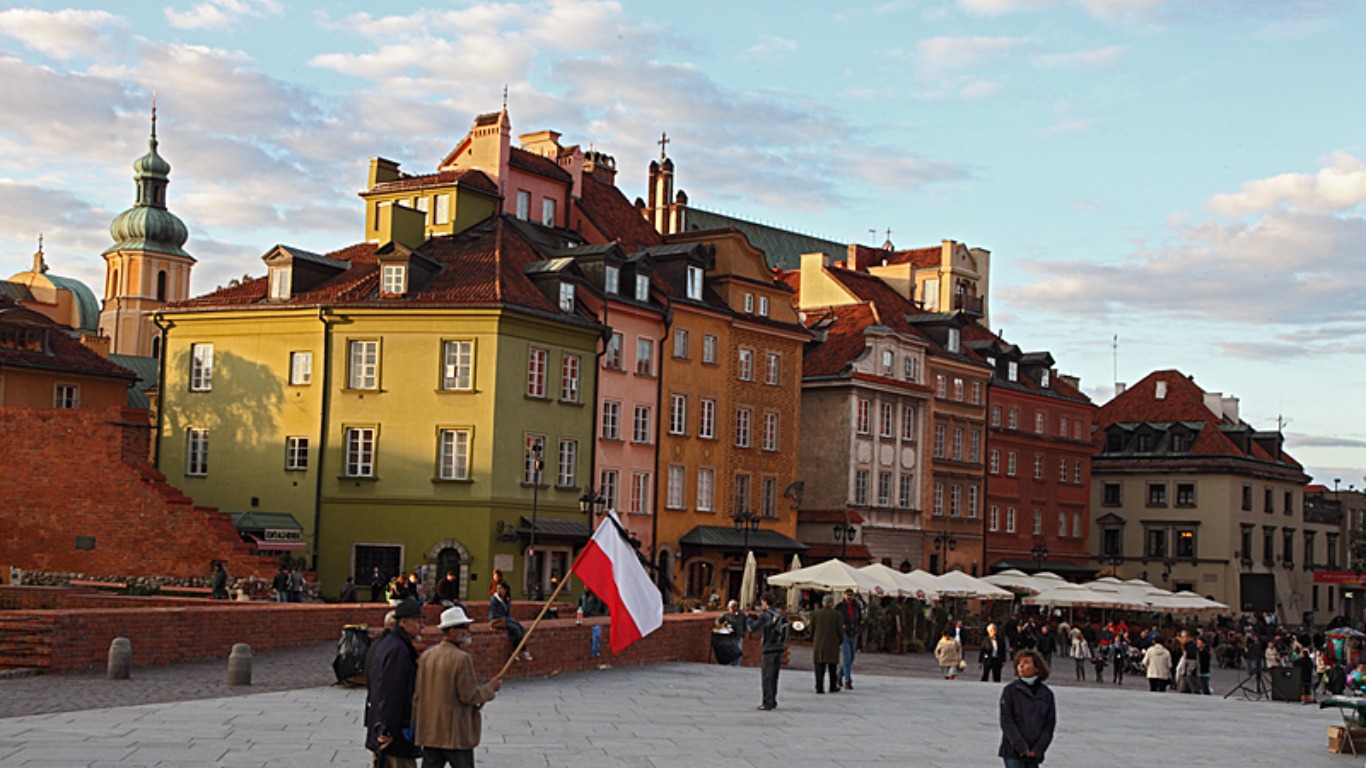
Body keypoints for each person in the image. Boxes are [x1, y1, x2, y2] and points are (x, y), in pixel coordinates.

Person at [413, 606, 501, 768]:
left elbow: (418, 694)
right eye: (465, 627)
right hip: (455, 734)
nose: (469, 631)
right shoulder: (462, 659)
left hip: (431, 732)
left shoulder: (427, 656)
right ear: (453, 631)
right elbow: (468, 696)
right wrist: (490, 688)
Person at [366, 600, 424, 767]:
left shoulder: (388, 643)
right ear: (404, 622)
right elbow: (391, 693)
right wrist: (388, 730)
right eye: (418, 621)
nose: (422, 626)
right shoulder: (398, 649)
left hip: (383, 727)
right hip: (396, 734)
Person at [998, 650, 1056, 768]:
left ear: (1037, 668)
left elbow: (1049, 724)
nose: (1021, 666)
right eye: (1019, 664)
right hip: (1013, 750)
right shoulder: (1010, 691)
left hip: (1035, 751)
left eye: (1026, 663)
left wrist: (1038, 748)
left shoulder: (1046, 694)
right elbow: (1006, 720)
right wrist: (1022, 747)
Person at [748, 592, 787, 710]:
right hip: (779, 647)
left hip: (769, 647)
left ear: (765, 602)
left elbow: (753, 628)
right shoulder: (779, 614)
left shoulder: (766, 615)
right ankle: (773, 700)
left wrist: (749, 620)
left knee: (767, 676)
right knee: (774, 676)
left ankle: (767, 702)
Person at [489, 582, 531, 661]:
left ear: (505, 590)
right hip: (497, 620)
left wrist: (510, 619)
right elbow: (495, 614)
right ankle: (517, 651)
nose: (498, 590)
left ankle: (521, 650)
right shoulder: (494, 600)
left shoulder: (507, 599)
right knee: (516, 629)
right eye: (497, 588)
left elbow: (507, 613)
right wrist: (509, 619)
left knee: (521, 628)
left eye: (500, 588)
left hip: (505, 619)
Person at [809, 594, 842, 693]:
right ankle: (832, 686)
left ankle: (819, 687)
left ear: (823, 603)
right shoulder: (837, 615)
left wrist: (813, 639)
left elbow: (811, 629)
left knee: (819, 666)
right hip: (833, 643)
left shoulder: (815, 614)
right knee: (832, 667)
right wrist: (840, 640)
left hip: (819, 643)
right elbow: (840, 631)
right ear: (832, 604)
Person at [836, 589, 863, 690]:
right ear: (844, 596)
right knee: (846, 658)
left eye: (851, 595)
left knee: (851, 658)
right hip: (844, 634)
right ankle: (848, 681)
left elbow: (859, 619)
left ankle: (838, 676)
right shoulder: (839, 607)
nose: (849, 597)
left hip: (854, 633)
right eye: (847, 595)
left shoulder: (856, 606)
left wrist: (858, 629)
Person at [717, 599, 748, 667]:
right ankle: (729, 663)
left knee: (738, 651)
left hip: (738, 635)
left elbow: (746, 624)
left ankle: (736, 665)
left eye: (733, 607)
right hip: (730, 636)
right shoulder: (727, 615)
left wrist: (743, 633)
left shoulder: (741, 615)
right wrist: (723, 627)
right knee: (730, 651)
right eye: (730, 608)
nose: (731, 609)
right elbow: (718, 621)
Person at [1175, 629, 1200, 694]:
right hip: (1185, 671)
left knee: (1191, 688)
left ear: (1189, 637)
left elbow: (1192, 661)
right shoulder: (1186, 646)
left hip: (1188, 672)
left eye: (1183, 637)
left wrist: (1188, 671)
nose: (1182, 639)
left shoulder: (1191, 647)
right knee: (1183, 689)